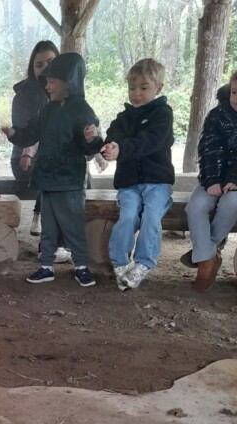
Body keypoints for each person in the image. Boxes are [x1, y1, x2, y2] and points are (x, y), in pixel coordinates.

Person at [1, 52, 104, 287]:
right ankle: (46, 266)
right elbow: (31, 132)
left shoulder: (82, 110)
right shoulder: (48, 110)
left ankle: (81, 266)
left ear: (69, 82)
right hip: (47, 177)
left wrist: (92, 139)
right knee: (48, 225)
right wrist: (14, 134)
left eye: (51, 81)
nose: (47, 86)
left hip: (69, 180)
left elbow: (89, 146)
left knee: (73, 224)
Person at [100, 59, 174, 291]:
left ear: (158, 88)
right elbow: (114, 135)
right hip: (129, 184)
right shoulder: (123, 117)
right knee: (128, 215)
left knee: (152, 216)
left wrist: (123, 149)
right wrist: (111, 146)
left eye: (144, 87)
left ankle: (143, 263)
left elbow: (149, 141)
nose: (137, 93)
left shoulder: (163, 114)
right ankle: (120, 263)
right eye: (132, 88)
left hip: (157, 183)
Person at [182, 71, 237, 292]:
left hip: (236, 183)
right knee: (195, 206)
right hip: (213, 177)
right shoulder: (217, 115)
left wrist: (234, 179)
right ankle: (208, 258)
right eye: (235, 92)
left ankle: (206, 254)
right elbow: (208, 148)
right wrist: (212, 179)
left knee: (231, 203)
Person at [11, 40, 59, 238]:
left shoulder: (68, 93)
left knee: (76, 171)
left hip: (55, 157)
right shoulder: (23, 97)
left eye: (50, 62)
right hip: (25, 159)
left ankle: (73, 232)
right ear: (32, 69)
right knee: (53, 172)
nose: (46, 68)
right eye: (39, 65)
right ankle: (49, 238)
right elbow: (25, 136)